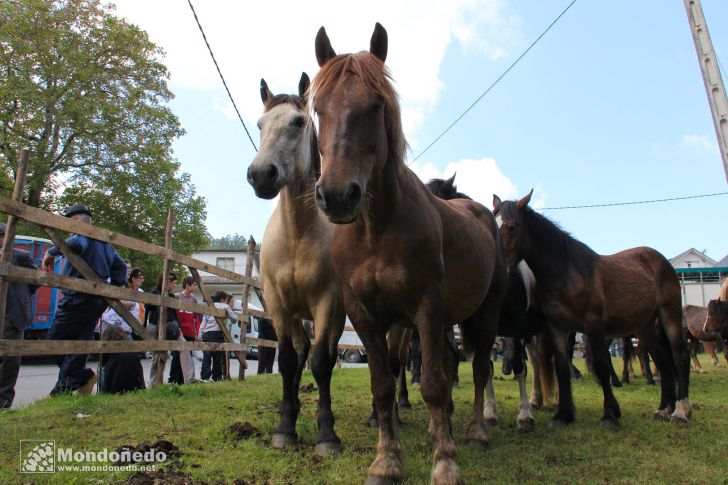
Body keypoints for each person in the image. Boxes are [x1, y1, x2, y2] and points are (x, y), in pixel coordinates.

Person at [43, 203, 127, 396]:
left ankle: (72, 382)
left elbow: (76, 244)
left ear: (76, 221)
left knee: (53, 342)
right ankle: (73, 382)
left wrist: (50, 252)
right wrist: (111, 290)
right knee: (79, 342)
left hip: (77, 298)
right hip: (96, 300)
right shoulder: (107, 244)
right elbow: (120, 267)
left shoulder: (82, 235)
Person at [0, 223, 38, 409]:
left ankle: (4, 401)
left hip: (13, 314)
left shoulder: (21, 256)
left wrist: (21, 299)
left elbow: (34, 281)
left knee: (10, 360)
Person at [145, 273, 195, 386]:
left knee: (184, 347)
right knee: (157, 354)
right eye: (174, 283)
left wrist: (179, 328)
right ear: (167, 282)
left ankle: (189, 379)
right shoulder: (153, 293)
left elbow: (174, 314)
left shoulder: (172, 296)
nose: (175, 285)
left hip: (171, 327)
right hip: (154, 326)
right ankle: (155, 383)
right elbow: (147, 310)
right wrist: (144, 327)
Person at [199, 290, 238, 381]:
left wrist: (200, 334)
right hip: (217, 333)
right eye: (226, 300)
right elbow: (235, 319)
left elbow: (203, 322)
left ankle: (205, 377)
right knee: (217, 357)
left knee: (207, 356)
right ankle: (216, 377)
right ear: (222, 299)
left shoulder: (210, 307)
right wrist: (227, 314)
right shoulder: (225, 306)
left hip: (207, 333)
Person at [170, 276, 201, 384]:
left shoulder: (194, 299)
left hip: (190, 331)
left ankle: (185, 380)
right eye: (194, 285)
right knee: (176, 357)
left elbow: (196, 317)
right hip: (179, 331)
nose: (196, 287)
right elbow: (173, 314)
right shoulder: (177, 296)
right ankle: (173, 380)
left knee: (188, 357)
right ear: (187, 286)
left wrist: (197, 332)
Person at [100, 267, 146, 339]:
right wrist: (130, 303)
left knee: (127, 348)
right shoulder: (122, 286)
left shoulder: (140, 291)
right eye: (141, 278)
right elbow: (118, 302)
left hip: (126, 327)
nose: (143, 280)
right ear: (133, 279)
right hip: (111, 323)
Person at [99, 324, 145, 394]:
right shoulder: (131, 348)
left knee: (100, 369)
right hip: (137, 387)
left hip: (115, 389)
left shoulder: (108, 348)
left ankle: (103, 393)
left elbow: (103, 363)